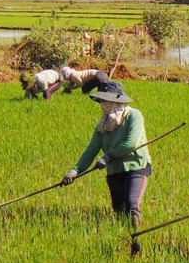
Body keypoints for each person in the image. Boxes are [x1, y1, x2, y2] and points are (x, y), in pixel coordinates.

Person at [61, 82, 152, 229]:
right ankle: (123, 238)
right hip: (114, 172)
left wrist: (108, 156)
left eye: (104, 101)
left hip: (136, 167)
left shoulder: (133, 116)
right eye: (101, 102)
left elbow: (131, 143)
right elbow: (90, 151)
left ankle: (137, 236)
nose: (101, 105)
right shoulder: (102, 126)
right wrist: (74, 171)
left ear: (114, 101)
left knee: (131, 205)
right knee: (119, 210)